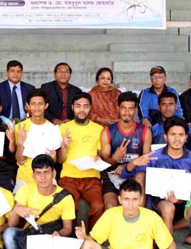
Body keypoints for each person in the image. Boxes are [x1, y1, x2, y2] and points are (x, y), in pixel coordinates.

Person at [122, 116, 191, 249]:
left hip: (184, 204)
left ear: (186, 137)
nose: (177, 138)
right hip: (158, 204)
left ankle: (165, 240)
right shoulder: (154, 156)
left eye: (181, 135)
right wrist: (134, 163)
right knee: (166, 205)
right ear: (165, 137)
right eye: (173, 134)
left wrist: (183, 198)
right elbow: (125, 174)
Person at [3, 154, 75, 249]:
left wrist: (58, 234)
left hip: (52, 238)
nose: (43, 177)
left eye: (46, 172)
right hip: (32, 235)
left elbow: (67, 228)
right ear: (33, 176)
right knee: (8, 234)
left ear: (54, 173)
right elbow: (11, 224)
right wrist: (17, 210)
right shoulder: (26, 190)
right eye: (39, 173)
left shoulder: (65, 197)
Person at [57, 92, 104, 230]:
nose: (81, 110)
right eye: (78, 106)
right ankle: (70, 236)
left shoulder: (98, 129)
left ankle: (93, 237)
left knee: (98, 206)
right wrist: (64, 145)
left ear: (91, 108)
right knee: (70, 204)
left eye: (85, 106)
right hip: (68, 177)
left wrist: (99, 158)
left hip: (91, 178)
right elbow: (59, 160)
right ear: (72, 107)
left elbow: (101, 155)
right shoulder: (63, 128)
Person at [100, 91, 152, 210]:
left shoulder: (144, 131)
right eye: (123, 108)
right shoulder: (108, 131)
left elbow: (146, 160)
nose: (127, 112)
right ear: (118, 108)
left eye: (131, 109)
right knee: (110, 206)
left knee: (141, 175)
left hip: (134, 175)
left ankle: (139, 220)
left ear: (135, 110)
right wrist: (115, 158)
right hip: (112, 175)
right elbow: (104, 162)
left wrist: (128, 166)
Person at [14, 89, 60, 193]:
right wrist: (20, 143)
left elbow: (54, 160)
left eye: (40, 104)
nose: (37, 107)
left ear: (46, 105)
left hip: (47, 178)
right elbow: (20, 160)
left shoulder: (53, 129)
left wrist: (53, 158)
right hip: (25, 177)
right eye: (33, 104)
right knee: (19, 207)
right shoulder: (20, 127)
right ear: (28, 106)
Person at [150, 91, 191, 165]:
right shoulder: (153, 129)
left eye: (171, 104)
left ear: (176, 106)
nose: (168, 108)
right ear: (159, 107)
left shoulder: (187, 128)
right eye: (164, 104)